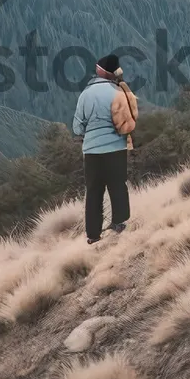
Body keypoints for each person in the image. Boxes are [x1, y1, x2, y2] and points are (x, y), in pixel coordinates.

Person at [72, 53, 138, 244]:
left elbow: (77, 128)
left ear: (100, 71)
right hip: (116, 148)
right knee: (117, 185)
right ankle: (119, 223)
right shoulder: (119, 92)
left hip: (92, 151)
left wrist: (90, 131)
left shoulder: (85, 95)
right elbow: (126, 121)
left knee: (93, 191)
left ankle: (93, 235)